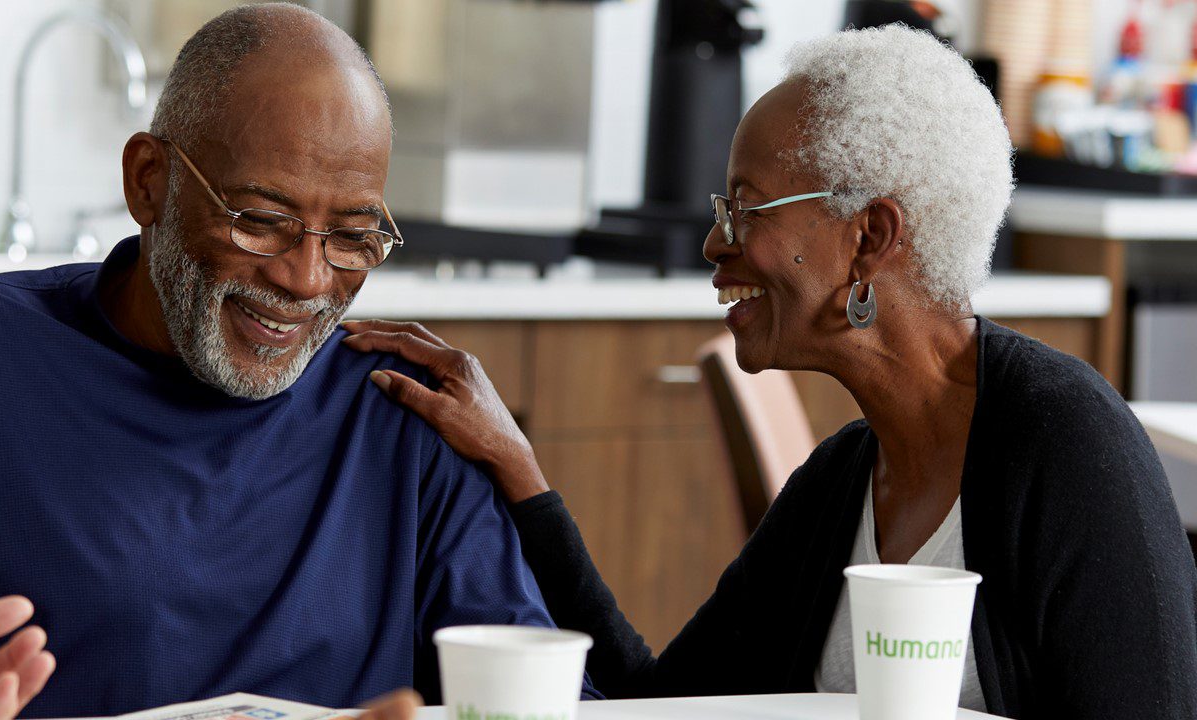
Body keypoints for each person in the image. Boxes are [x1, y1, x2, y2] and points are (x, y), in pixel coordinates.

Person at [343, 25, 1197, 719]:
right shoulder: (841, 486)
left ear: (870, 237)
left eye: (744, 208)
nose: (716, 243)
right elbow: (659, 704)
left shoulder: (1068, 448)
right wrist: (519, 473)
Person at [0, 5, 590, 719]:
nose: (306, 279)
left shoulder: (402, 414)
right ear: (149, 181)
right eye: (261, 222)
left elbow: (538, 696)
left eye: (354, 236)